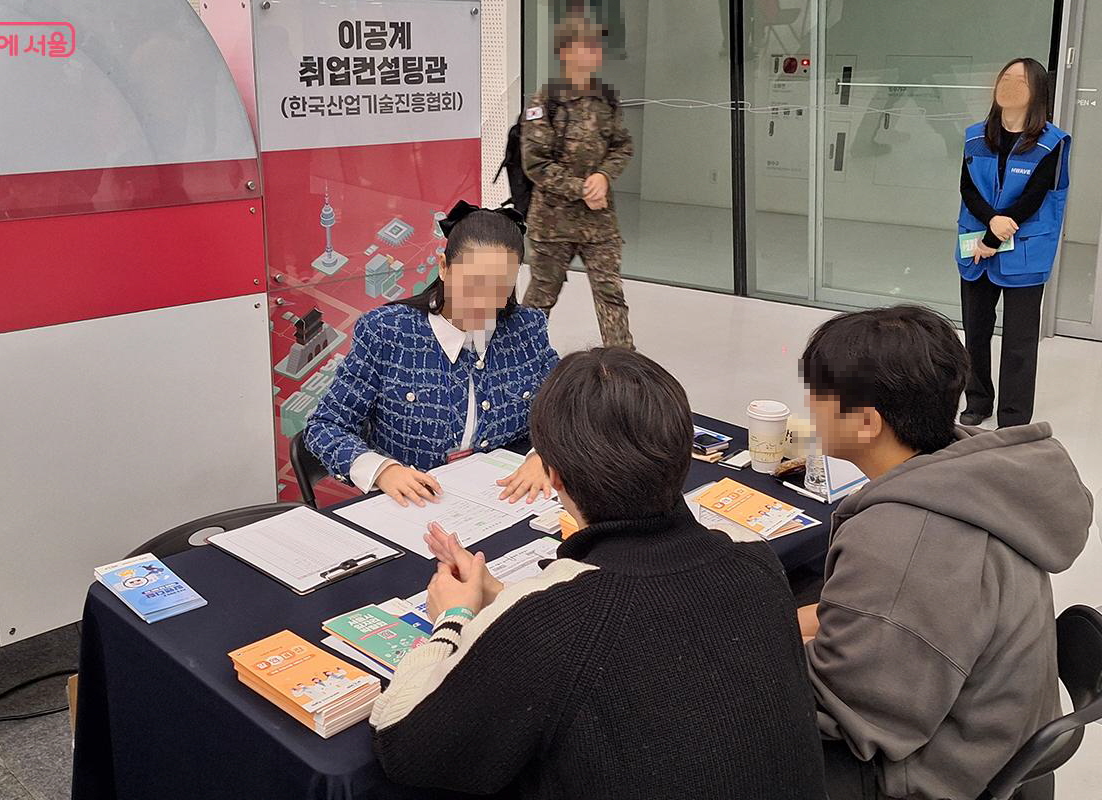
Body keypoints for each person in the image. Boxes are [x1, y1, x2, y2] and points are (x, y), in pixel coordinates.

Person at [370, 348, 826, 799]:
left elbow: (407, 748)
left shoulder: (551, 621)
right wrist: (503, 598)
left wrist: (453, 619)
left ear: (554, 477)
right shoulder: (754, 559)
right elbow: (647, 628)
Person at [796, 305, 1092, 800]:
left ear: (866, 422)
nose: (810, 408)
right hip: (991, 736)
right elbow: (878, 620)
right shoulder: (972, 474)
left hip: (941, 772)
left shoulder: (903, 544)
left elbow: (849, 716)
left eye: (818, 397)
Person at [305, 202, 560, 507]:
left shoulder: (526, 329)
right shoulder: (387, 332)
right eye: (473, 282)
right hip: (413, 506)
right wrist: (383, 471)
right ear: (443, 267)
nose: (483, 300)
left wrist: (542, 456)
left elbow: (565, 411)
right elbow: (325, 426)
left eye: (500, 286)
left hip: (503, 502)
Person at [957, 58, 1071, 428]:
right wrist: (990, 224)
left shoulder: (1052, 143)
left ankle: (1014, 416)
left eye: (1019, 80)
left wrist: (995, 235)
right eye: (1005, 77)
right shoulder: (975, 136)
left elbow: (1035, 197)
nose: (1009, 85)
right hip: (977, 245)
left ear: (1036, 91)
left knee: (1019, 340)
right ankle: (978, 401)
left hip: (1025, 250)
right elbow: (968, 188)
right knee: (975, 330)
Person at [521, 16, 635, 349]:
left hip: (599, 223)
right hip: (553, 224)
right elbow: (536, 163)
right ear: (566, 52)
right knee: (541, 298)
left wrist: (604, 175)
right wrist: (583, 188)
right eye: (587, 46)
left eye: (597, 46)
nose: (596, 52)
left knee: (611, 296)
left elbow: (622, 146)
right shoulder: (545, 101)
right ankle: (520, 359)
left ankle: (622, 365)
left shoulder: (607, 99)